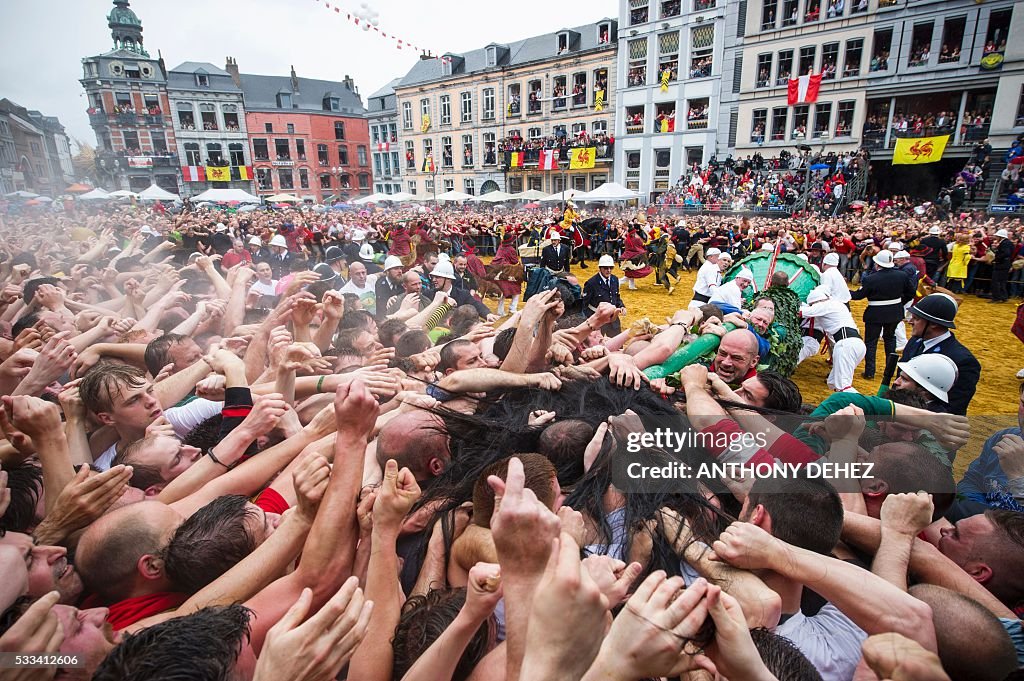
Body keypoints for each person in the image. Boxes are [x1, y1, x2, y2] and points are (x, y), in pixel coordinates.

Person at [899, 293, 981, 416]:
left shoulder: (963, 361)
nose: (910, 321)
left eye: (916, 318)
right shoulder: (915, 342)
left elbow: (954, 407)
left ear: (933, 324)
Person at [851, 249, 915, 380]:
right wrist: (898, 303)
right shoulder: (901, 276)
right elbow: (911, 292)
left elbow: (858, 296)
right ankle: (889, 370)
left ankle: (870, 372)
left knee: (871, 342)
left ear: (877, 264)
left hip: (875, 314)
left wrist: (845, 292)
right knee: (890, 339)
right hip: (894, 313)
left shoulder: (870, 279)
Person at [799, 286, 866, 392]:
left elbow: (800, 312)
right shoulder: (837, 304)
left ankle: (860, 406)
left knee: (843, 386)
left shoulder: (823, 305)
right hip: (856, 344)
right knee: (833, 382)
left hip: (846, 345)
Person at [581, 255, 624, 335]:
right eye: (605, 268)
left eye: (611, 268)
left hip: (613, 318)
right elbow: (584, 305)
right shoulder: (591, 283)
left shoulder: (615, 279)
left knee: (616, 343)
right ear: (600, 268)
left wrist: (621, 306)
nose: (609, 270)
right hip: (598, 319)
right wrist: (589, 321)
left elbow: (616, 297)